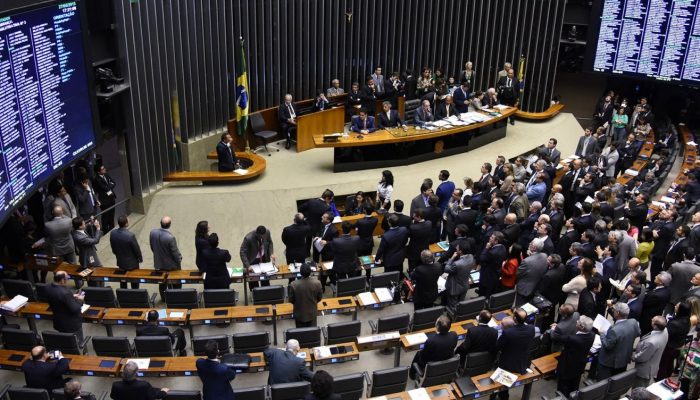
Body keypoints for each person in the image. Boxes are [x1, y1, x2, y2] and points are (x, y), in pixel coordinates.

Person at [552, 315, 596, 396]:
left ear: (581, 327)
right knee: (574, 388)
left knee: (562, 391)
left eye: (578, 322)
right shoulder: (592, 335)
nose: (576, 321)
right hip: (579, 366)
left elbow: (557, 338)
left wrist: (554, 329)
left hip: (566, 368)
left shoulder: (572, 339)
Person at [496, 309, 535, 399]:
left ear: (514, 318)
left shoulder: (508, 332)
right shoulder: (531, 328)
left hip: (508, 365)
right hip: (524, 362)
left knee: (503, 387)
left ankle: (502, 397)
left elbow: (498, 346)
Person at [597, 302, 641, 379]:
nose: (613, 311)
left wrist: (602, 334)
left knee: (603, 383)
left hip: (610, 362)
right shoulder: (633, 322)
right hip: (624, 358)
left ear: (617, 313)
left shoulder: (614, 330)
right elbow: (638, 333)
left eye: (614, 310)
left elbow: (607, 345)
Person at [45, 271, 84, 340]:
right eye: (67, 278)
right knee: (77, 343)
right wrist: (80, 300)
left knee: (65, 341)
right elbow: (75, 308)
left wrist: (71, 296)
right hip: (71, 324)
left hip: (59, 321)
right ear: (62, 280)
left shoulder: (48, 287)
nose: (68, 279)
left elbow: (57, 297)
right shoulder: (65, 293)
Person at [150, 216, 183, 298]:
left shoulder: (152, 233)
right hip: (171, 266)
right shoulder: (170, 238)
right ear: (170, 224)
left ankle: (164, 298)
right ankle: (175, 298)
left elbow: (152, 247)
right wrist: (179, 259)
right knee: (176, 282)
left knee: (162, 283)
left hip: (158, 263)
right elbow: (175, 253)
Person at [632, 316, 669, 388]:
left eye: (653, 320)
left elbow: (642, 357)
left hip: (644, 370)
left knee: (638, 389)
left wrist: (632, 356)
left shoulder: (652, 342)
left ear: (655, 326)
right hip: (653, 365)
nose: (651, 319)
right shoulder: (665, 331)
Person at [110, 215, 143, 289]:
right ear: (126, 224)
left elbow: (113, 248)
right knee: (134, 281)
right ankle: (134, 294)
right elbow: (136, 249)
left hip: (120, 262)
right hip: (132, 264)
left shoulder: (113, 233)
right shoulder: (130, 236)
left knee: (123, 281)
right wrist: (140, 258)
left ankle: (123, 295)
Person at [240, 225, 276, 289]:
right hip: (252, 260)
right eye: (260, 237)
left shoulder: (267, 232)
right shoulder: (248, 238)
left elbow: (270, 242)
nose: (262, 238)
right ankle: (254, 294)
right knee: (253, 280)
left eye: (263, 237)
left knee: (265, 278)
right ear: (257, 234)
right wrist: (248, 266)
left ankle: (266, 291)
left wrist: (271, 253)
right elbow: (242, 252)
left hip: (263, 258)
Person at [516, 238, 548, 306]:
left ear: (534, 247)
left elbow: (518, 274)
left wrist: (528, 257)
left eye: (531, 243)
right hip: (535, 287)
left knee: (519, 308)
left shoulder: (526, 261)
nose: (529, 244)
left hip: (524, 289)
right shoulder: (545, 256)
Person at [289, 263, 323, 327]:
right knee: (311, 333)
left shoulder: (293, 284)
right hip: (312, 313)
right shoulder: (317, 283)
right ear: (310, 272)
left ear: (300, 272)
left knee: (301, 334)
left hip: (299, 314)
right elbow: (319, 298)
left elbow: (291, 300)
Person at [442, 242, 473, 311]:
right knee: (461, 304)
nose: (456, 248)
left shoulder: (457, 264)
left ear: (460, 251)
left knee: (453, 306)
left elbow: (446, 269)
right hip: (464, 285)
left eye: (457, 247)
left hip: (454, 287)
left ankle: (454, 319)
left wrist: (451, 258)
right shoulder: (471, 257)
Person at [480, 232, 508, 299]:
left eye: (492, 238)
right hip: (496, 273)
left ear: (496, 241)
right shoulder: (503, 247)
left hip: (488, 274)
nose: (490, 238)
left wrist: (486, 248)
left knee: (485, 291)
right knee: (490, 290)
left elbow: (482, 258)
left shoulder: (492, 253)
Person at [93, 164, 117, 233]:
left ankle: (112, 227)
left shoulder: (106, 174)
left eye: (104, 168)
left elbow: (114, 182)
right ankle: (105, 230)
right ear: (98, 172)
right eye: (102, 169)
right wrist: (110, 185)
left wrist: (108, 186)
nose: (105, 169)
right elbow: (105, 188)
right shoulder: (97, 179)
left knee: (112, 214)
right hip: (104, 200)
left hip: (111, 197)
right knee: (106, 216)